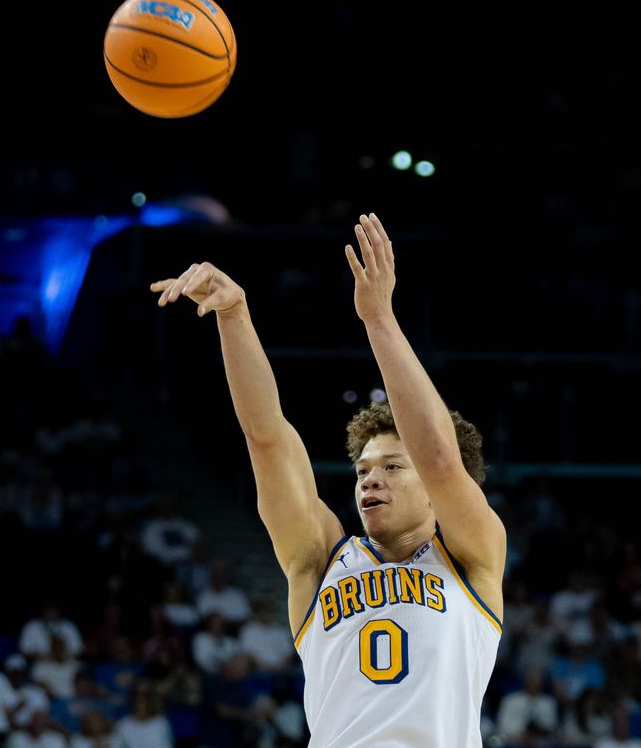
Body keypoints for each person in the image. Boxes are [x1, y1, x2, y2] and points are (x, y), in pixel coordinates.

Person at [151, 213, 506, 747]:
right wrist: (234, 315)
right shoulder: (320, 559)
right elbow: (267, 437)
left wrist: (379, 319)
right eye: (362, 470)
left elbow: (439, 460)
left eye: (391, 467)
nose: (370, 481)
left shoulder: (472, 558)